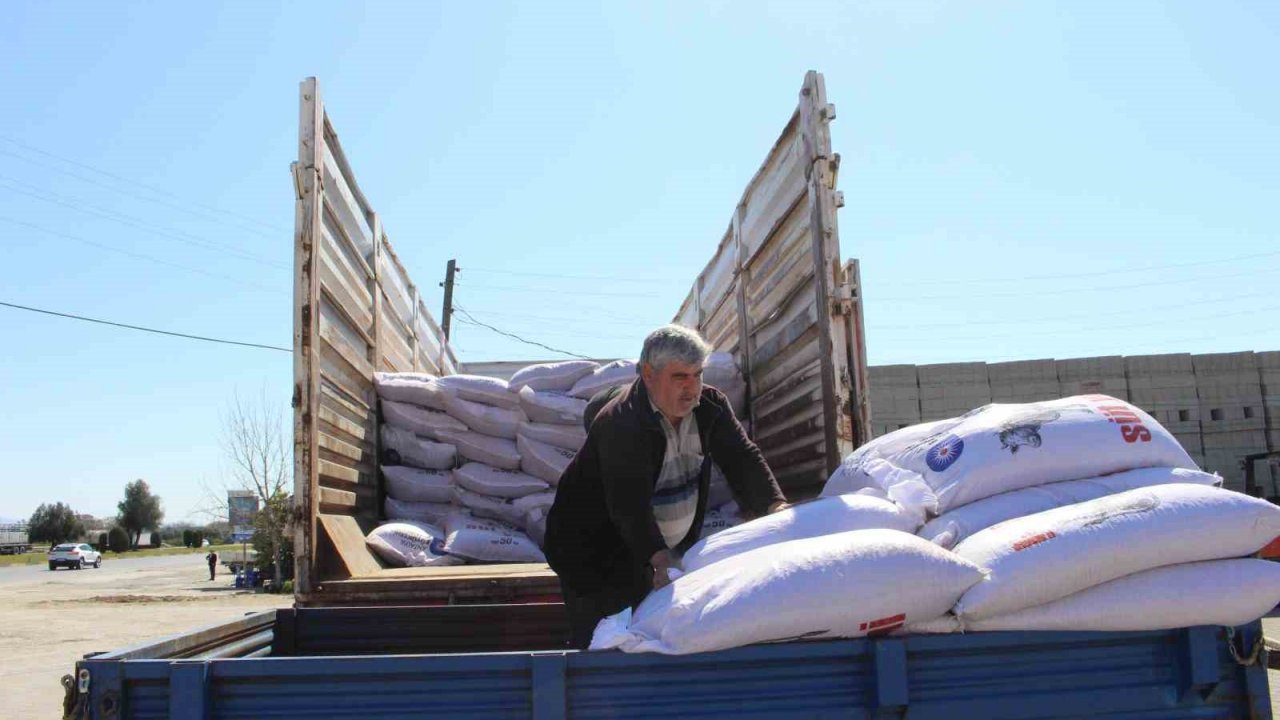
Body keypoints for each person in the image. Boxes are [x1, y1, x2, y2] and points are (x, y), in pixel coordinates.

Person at [544, 325, 790, 648]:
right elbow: (627, 506)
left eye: (697, 375)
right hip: (594, 551)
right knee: (607, 643)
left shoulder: (709, 407)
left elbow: (742, 458)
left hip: (650, 548)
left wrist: (776, 507)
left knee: (656, 639)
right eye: (680, 378)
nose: (692, 390)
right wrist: (660, 559)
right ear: (648, 374)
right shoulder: (622, 423)